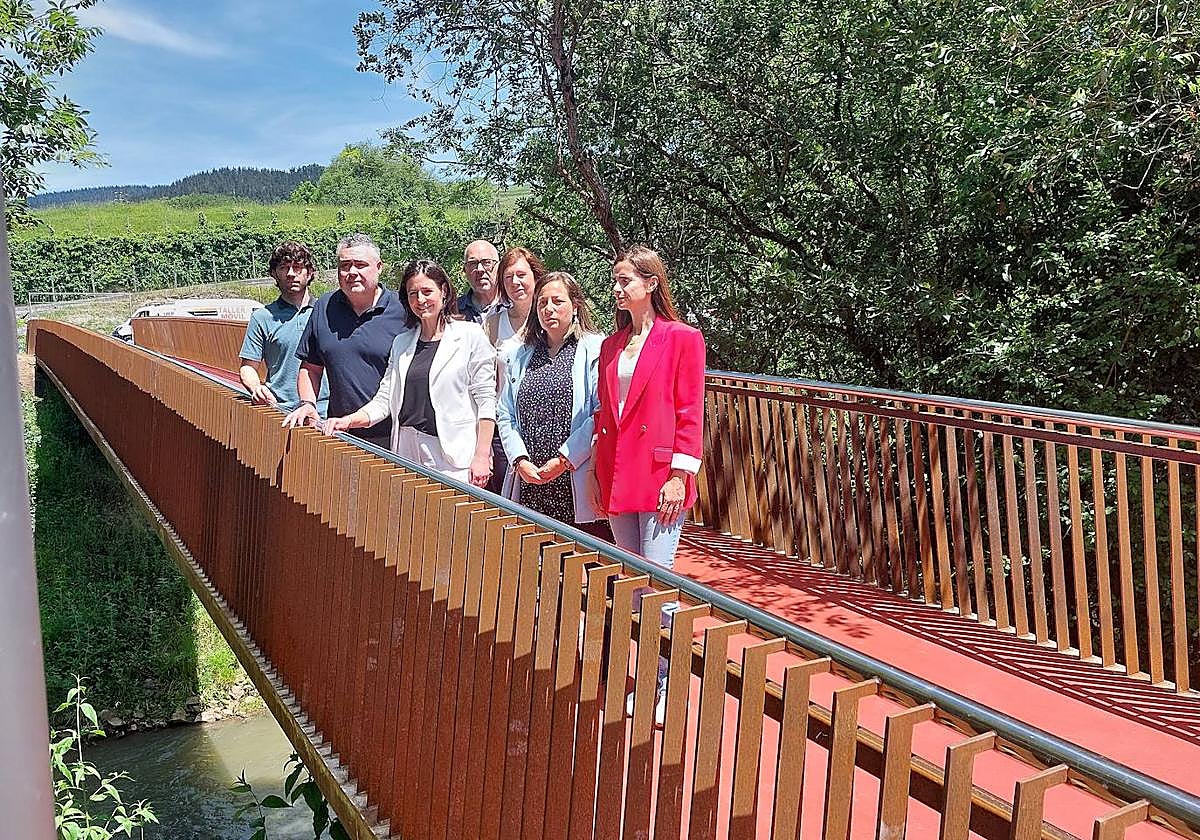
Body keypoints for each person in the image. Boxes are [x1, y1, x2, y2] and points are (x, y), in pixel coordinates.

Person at [589, 245, 706, 724]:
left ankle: (662, 681)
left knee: (656, 583)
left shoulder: (682, 338)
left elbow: (689, 411)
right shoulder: (611, 346)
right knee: (636, 585)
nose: (617, 289)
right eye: (614, 281)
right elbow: (603, 416)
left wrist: (680, 475)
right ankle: (657, 670)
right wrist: (598, 474)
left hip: (660, 476)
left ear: (651, 284)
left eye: (625, 281)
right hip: (619, 474)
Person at [323, 259, 497, 487]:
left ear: (443, 291)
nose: (421, 300)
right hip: (406, 450)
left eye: (427, 291)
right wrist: (348, 421)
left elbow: (486, 401)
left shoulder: (470, 336)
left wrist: (482, 456)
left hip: (452, 457)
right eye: (413, 293)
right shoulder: (402, 343)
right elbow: (384, 400)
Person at [495, 271, 609, 537]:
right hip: (531, 478)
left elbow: (600, 412)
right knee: (535, 558)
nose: (549, 309)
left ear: (575, 306)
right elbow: (505, 412)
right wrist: (519, 460)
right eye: (542, 303)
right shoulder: (520, 355)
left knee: (583, 561)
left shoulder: (596, 350)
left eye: (557, 301)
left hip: (575, 475)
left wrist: (564, 459)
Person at [281, 233, 407, 450]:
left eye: (360, 265)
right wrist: (308, 403)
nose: (352, 272)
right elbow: (311, 368)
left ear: (379, 267)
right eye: (345, 265)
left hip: (396, 435)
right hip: (340, 432)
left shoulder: (403, 309)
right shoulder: (324, 307)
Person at [238, 241, 330, 413]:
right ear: (274, 273)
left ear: (309, 273)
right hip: (281, 411)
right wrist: (257, 388)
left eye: (297, 267)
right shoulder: (262, 318)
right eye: (284, 268)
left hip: (326, 414)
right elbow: (248, 366)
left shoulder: (327, 313)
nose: (290, 274)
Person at [482, 246, 545, 493]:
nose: (515, 282)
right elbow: (484, 381)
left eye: (521, 275)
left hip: (544, 426)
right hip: (503, 430)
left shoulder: (550, 317)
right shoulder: (493, 323)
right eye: (508, 277)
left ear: (535, 277)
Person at [457, 239, 504, 323]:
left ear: (499, 267)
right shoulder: (454, 311)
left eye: (486, 263)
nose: (479, 269)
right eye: (472, 264)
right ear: (465, 270)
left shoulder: (513, 305)